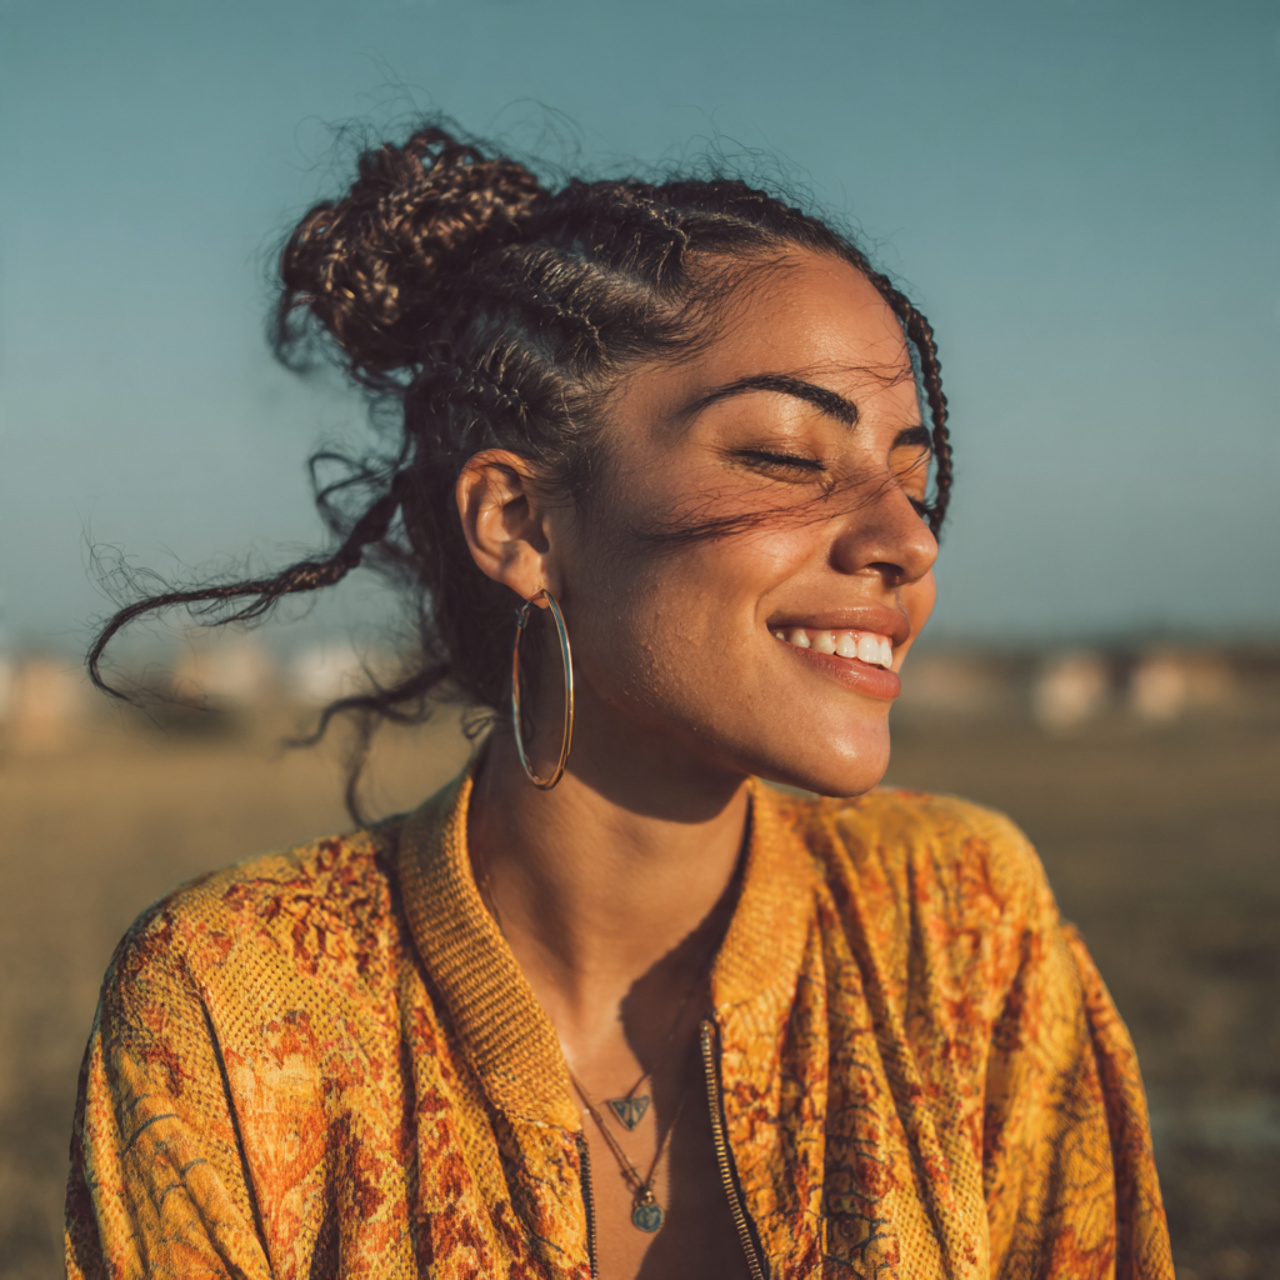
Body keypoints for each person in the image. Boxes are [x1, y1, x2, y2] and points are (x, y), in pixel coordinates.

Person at [66, 124, 1174, 1280]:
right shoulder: (228, 1003)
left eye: (912, 476)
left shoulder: (959, 922)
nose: (906, 538)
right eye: (785, 455)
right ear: (520, 523)